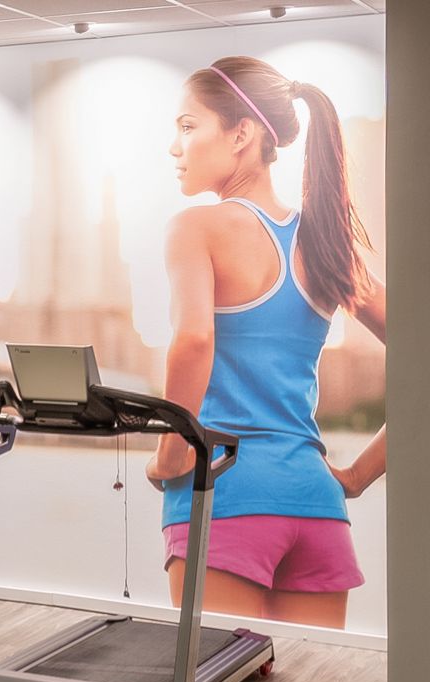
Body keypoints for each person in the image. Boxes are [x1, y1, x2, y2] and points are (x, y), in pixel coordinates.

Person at [148, 55, 386, 628]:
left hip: (224, 498)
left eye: (187, 126)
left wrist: (171, 450)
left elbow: (194, 340)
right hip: (317, 508)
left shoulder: (196, 228)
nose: (174, 147)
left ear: (242, 134)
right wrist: (357, 475)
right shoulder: (328, 244)